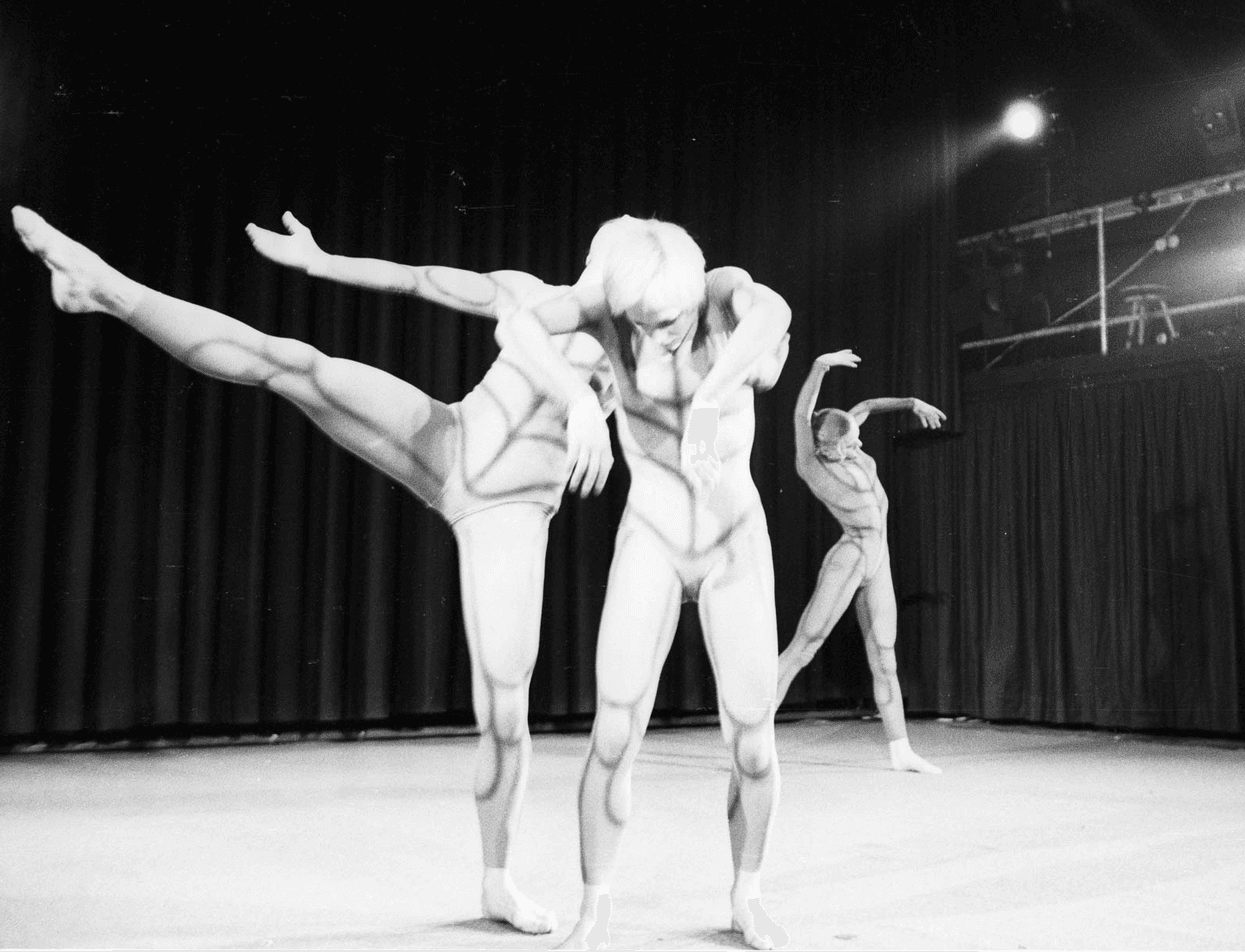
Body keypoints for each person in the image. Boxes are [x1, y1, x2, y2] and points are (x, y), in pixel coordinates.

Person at [12, 206, 618, 936]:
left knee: (506, 715)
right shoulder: (528, 295)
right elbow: (416, 281)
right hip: (448, 439)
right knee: (296, 364)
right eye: (596, 270)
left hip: (511, 513)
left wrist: (705, 459)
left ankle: (497, 880)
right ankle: (108, 286)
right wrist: (321, 262)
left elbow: (700, 410)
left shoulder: (641, 357)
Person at [482, 215, 792, 950]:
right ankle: (597, 904)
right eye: (648, 322)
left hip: (730, 538)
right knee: (615, 731)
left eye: (675, 318)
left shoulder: (720, 296)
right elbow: (515, 328)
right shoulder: (605, 314)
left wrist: (716, 386)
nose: (667, 333)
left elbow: (774, 315)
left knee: (752, 740)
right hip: (652, 533)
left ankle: (748, 896)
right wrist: (579, 396)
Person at [775, 349, 945, 775]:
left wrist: (911, 403)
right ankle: (751, 738)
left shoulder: (845, 437)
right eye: (850, 443)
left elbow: (866, 408)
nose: (859, 445)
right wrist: (819, 367)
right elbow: (801, 416)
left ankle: (901, 749)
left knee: (885, 657)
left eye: (856, 439)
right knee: (803, 649)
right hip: (850, 557)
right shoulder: (811, 464)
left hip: (878, 561)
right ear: (825, 446)